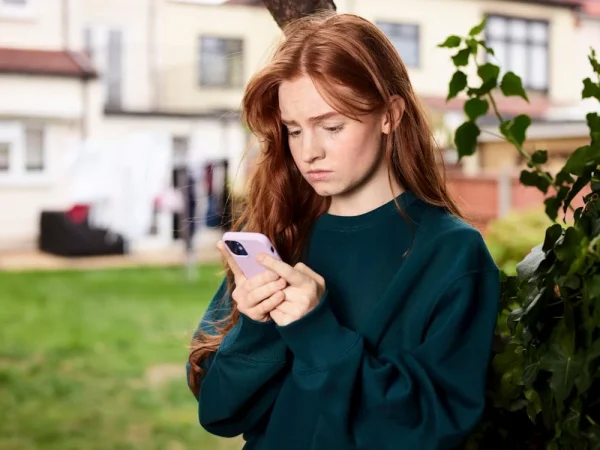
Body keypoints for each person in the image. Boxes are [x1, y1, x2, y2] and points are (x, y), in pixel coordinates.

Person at [186, 12, 500, 450]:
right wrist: (257, 326)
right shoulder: (280, 234)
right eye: (294, 130)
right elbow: (219, 412)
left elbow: (428, 427)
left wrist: (316, 330)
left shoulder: (453, 253)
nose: (309, 151)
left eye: (332, 126)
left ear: (390, 115)